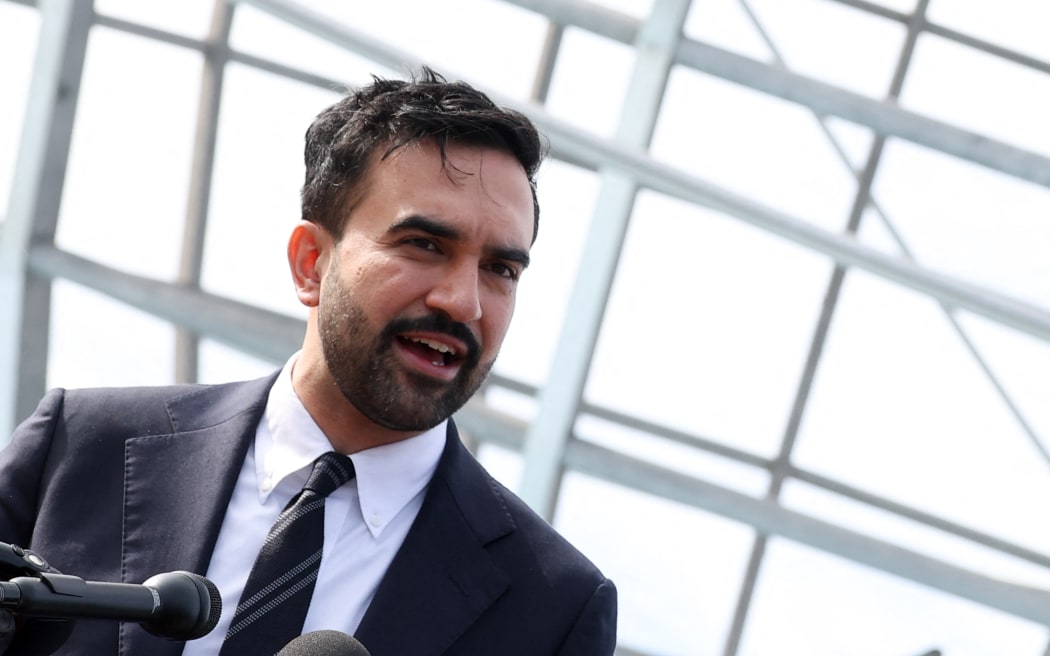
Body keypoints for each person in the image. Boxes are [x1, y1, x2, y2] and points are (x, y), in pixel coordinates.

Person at [0, 68, 617, 655]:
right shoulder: (82, 444)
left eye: (500, 269)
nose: (462, 301)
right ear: (311, 263)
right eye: (424, 245)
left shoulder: (555, 608)